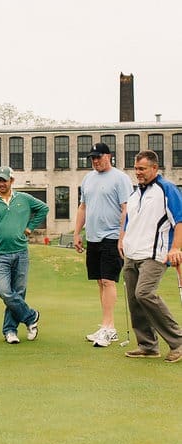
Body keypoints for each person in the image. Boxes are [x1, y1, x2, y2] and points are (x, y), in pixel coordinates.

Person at [119, 150, 182, 363]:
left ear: (155, 168)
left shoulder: (167, 190)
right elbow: (129, 221)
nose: (138, 172)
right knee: (134, 299)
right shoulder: (135, 194)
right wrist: (123, 240)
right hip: (132, 254)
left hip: (155, 255)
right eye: (136, 168)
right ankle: (147, 345)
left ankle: (178, 342)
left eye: (142, 168)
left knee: (144, 293)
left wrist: (175, 249)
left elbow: (179, 221)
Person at [0, 166, 49, 344]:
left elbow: (43, 209)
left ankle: (10, 330)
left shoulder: (23, 198)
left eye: (4, 180)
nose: (1, 183)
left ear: (11, 181)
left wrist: (30, 227)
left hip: (21, 252)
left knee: (19, 292)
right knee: (5, 292)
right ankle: (31, 317)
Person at [73, 142, 133, 347]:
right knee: (100, 281)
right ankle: (109, 326)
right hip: (93, 237)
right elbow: (83, 207)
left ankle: (107, 328)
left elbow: (126, 209)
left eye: (98, 157)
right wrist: (77, 233)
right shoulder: (88, 178)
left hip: (113, 237)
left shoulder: (121, 178)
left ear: (109, 156)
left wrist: (123, 237)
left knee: (108, 281)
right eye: (92, 158)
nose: (95, 161)